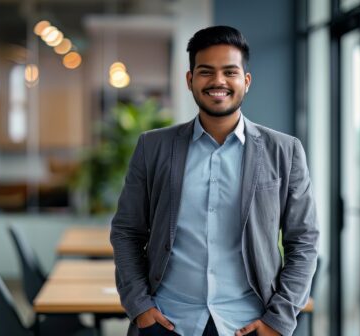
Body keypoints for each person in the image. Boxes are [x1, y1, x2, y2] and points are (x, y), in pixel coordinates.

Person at [110, 25, 318, 336]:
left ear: (245, 82)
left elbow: (303, 241)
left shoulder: (284, 151)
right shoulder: (153, 147)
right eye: (206, 72)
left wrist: (279, 319)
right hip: (168, 322)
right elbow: (127, 231)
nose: (218, 81)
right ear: (190, 80)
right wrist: (140, 306)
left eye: (230, 72)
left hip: (248, 324)